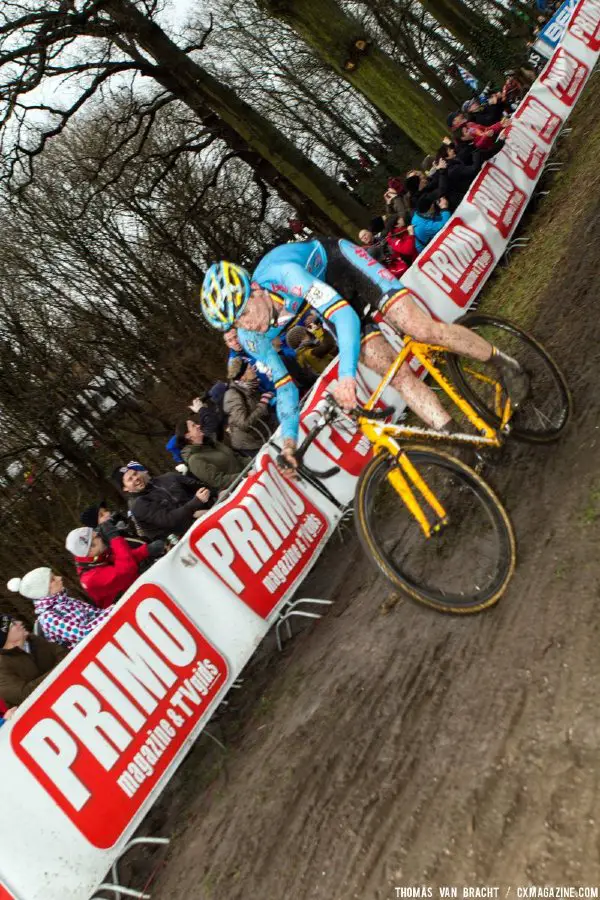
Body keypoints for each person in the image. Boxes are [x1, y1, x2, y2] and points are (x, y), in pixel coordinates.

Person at [200, 244, 530, 474]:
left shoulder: (285, 276)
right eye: (235, 323)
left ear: (256, 290)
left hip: (344, 266)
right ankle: (457, 440)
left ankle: (504, 363)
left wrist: (346, 376)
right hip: (324, 303)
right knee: (396, 375)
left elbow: (344, 315)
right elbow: (285, 389)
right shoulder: (251, 337)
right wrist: (289, 443)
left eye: (244, 313)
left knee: (421, 329)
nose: (246, 324)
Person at [7, 568, 112, 649]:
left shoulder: (65, 601)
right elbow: (82, 634)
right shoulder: (48, 618)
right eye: (53, 579)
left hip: (106, 640)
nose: (59, 577)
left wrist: (112, 611)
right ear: (43, 590)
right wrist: (112, 612)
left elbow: (97, 614)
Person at [65, 523, 163, 608]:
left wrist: (146, 550)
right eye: (97, 537)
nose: (102, 537)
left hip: (141, 593)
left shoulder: (96, 558)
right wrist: (114, 538)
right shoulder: (91, 578)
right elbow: (126, 570)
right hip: (131, 609)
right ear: (90, 549)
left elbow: (123, 557)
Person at [112, 460, 213, 541]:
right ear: (125, 488)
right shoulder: (139, 505)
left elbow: (200, 486)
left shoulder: (169, 477)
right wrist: (194, 506)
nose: (136, 478)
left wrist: (213, 493)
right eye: (130, 479)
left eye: (135, 474)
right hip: (185, 540)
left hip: (210, 518)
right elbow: (169, 520)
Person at [0, 614, 67, 708]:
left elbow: (61, 653)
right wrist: (61, 670)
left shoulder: (32, 639)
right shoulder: (2, 668)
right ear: (5, 638)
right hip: (45, 710)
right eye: (14, 624)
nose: (20, 623)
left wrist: (63, 669)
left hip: (66, 690)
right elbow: (24, 694)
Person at [175, 413, 246, 490]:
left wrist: (255, 462)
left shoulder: (211, 442)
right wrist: (245, 475)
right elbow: (218, 481)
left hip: (249, 476)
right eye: (193, 426)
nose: (198, 425)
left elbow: (236, 457)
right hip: (241, 489)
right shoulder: (194, 460)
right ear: (188, 436)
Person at [223, 361, 274, 455]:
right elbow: (244, 424)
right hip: (250, 444)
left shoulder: (250, 385)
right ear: (243, 377)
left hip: (261, 432)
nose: (254, 369)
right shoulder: (232, 396)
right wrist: (263, 403)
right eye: (250, 368)